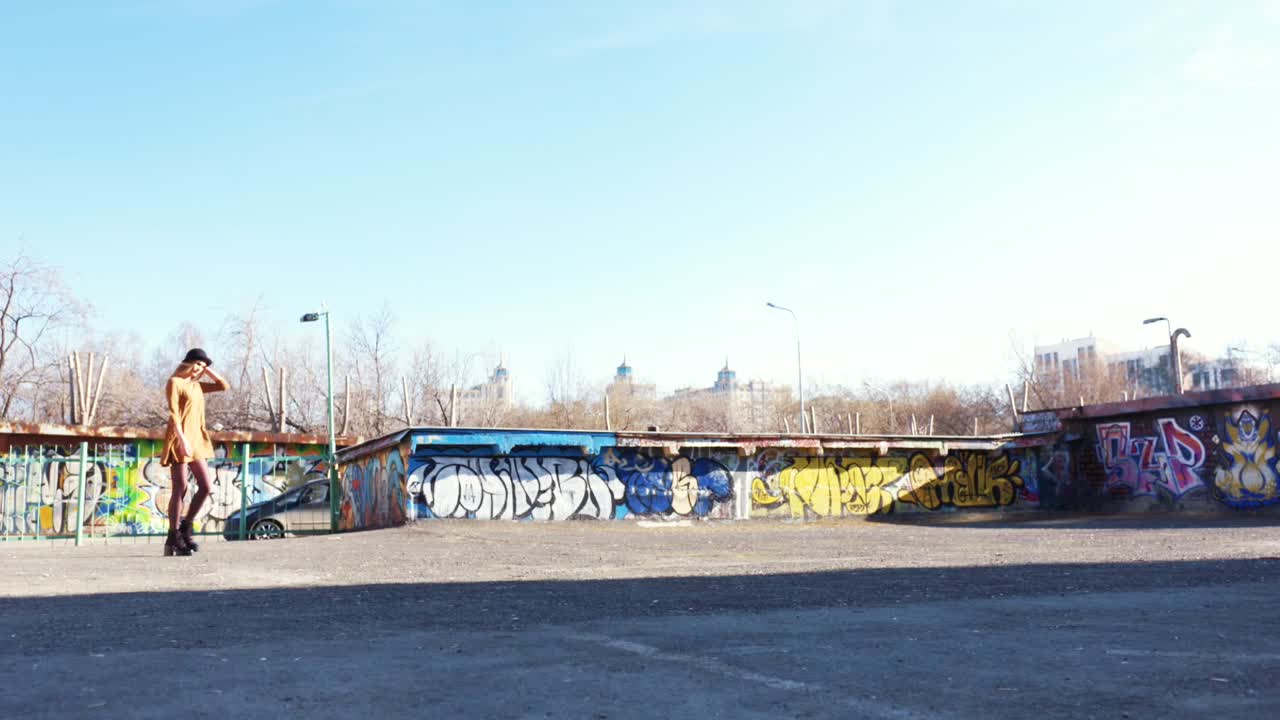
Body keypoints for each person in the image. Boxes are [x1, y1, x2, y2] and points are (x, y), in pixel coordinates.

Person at [161, 348, 230, 556]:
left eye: (203, 366)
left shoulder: (197, 386)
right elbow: (174, 414)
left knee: (206, 486)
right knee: (180, 487)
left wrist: (208, 369)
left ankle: (186, 528)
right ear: (187, 363)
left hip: (197, 440)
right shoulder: (175, 382)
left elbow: (223, 386)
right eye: (197, 364)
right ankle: (173, 537)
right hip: (180, 438)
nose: (199, 369)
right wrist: (182, 440)